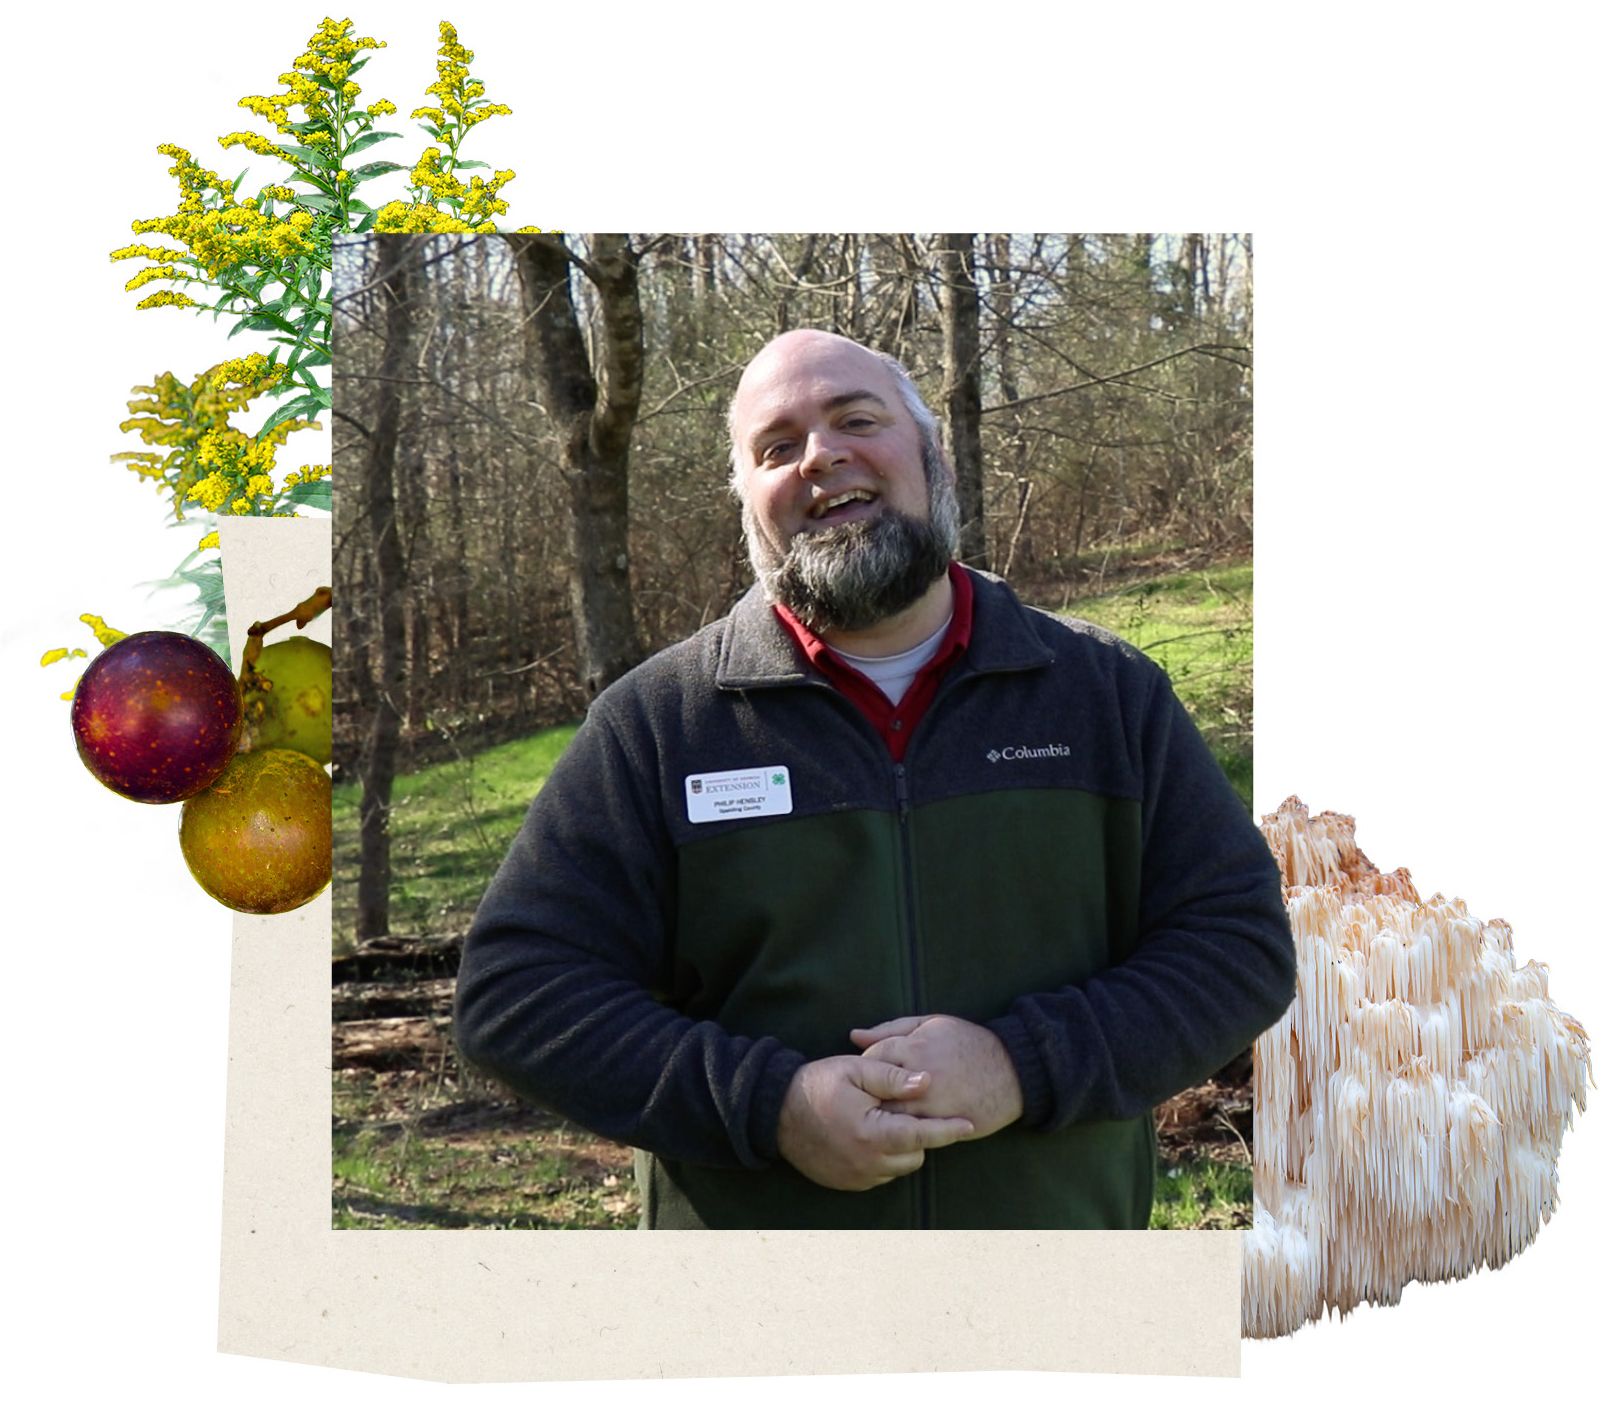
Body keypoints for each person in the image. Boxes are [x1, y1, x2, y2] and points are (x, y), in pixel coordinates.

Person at [455, 329, 1295, 1229]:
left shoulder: (1103, 695)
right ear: (747, 501)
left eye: (857, 419)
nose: (820, 455)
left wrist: (1022, 1064)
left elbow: (1237, 943)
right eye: (776, 447)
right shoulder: (660, 723)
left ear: (930, 455)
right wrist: (769, 1105)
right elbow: (516, 993)